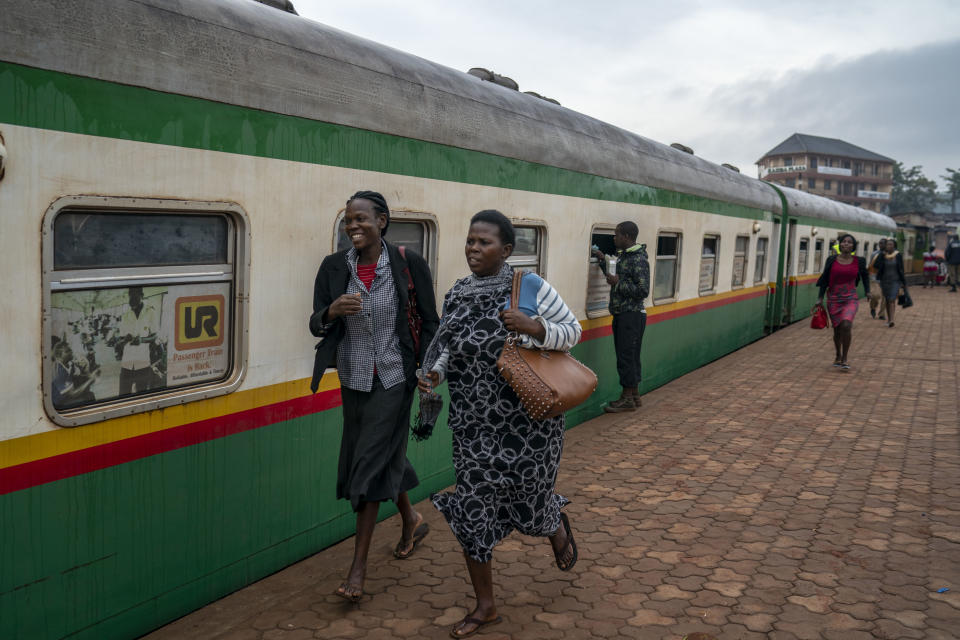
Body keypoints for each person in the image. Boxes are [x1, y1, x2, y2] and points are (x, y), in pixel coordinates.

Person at [420, 210, 580, 638]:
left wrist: (536, 326)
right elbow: (449, 348)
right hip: (473, 426)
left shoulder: (528, 286)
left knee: (529, 499)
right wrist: (435, 373)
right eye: (470, 241)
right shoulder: (457, 294)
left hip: (528, 426)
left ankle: (553, 522)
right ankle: (485, 607)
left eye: (484, 243)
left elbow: (573, 331)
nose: (473, 249)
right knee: (473, 510)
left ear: (506, 250)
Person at [308, 190, 440, 602]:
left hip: (395, 376)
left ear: (382, 221)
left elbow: (432, 322)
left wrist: (429, 372)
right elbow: (315, 323)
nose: (353, 227)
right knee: (379, 453)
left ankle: (358, 570)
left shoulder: (407, 262)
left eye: (361, 219)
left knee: (364, 465)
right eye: (348, 220)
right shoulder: (333, 268)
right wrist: (332, 312)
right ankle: (412, 518)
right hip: (353, 377)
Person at [590, 222, 650, 412]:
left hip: (630, 315)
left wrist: (618, 283)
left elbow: (643, 290)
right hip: (625, 314)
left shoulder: (638, 259)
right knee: (630, 356)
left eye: (616, 235)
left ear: (626, 236)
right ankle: (634, 395)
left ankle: (627, 399)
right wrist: (602, 260)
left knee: (626, 358)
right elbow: (614, 274)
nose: (614, 238)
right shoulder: (625, 256)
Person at [816, 234, 869, 370]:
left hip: (850, 298)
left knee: (846, 325)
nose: (846, 244)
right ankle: (838, 354)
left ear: (853, 246)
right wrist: (820, 298)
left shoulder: (859, 261)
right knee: (837, 330)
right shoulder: (832, 260)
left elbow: (865, 277)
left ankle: (845, 358)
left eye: (849, 242)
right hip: (833, 298)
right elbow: (825, 279)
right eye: (844, 242)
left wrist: (868, 291)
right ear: (840, 244)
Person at [117, 286, 161, 395]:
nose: (132, 299)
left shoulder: (150, 312)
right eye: (130, 296)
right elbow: (121, 341)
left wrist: (142, 340)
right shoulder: (125, 316)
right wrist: (123, 341)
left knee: (141, 396)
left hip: (143, 363)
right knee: (123, 395)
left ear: (142, 296)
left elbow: (155, 336)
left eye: (135, 296)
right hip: (126, 363)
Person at [874, 238, 908, 328]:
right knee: (888, 300)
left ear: (894, 246)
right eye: (887, 244)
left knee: (892, 299)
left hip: (895, 281)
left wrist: (903, 282)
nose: (888, 246)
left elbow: (901, 269)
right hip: (884, 281)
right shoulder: (882, 255)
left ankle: (892, 320)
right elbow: (876, 266)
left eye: (890, 244)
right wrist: (882, 256)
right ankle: (889, 320)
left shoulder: (898, 256)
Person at [867, 239, 886, 320]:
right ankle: (873, 307)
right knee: (876, 296)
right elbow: (870, 265)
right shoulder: (874, 254)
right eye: (879, 243)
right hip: (874, 277)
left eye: (882, 243)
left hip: (885, 279)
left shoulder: (889, 255)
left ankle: (882, 314)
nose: (880, 245)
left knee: (885, 297)